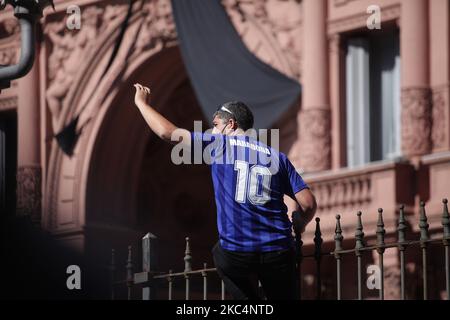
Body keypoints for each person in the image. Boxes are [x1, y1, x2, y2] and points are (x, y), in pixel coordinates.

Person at [133, 83, 317, 300]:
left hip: (238, 251)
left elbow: (167, 133)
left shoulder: (220, 145)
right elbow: (308, 203)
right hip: (278, 249)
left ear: (230, 124)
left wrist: (141, 103)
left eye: (215, 124)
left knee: (220, 253)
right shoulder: (278, 157)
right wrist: (299, 222)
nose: (212, 130)